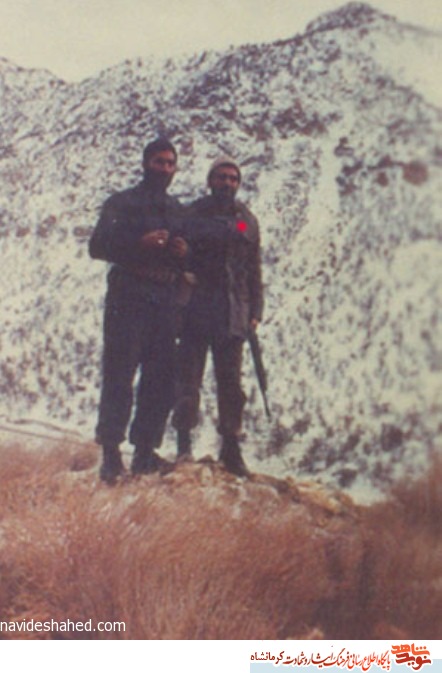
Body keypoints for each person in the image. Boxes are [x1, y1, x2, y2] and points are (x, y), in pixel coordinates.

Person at [89, 138, 187, 484]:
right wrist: (138, 244)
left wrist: (182, 251)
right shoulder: (121, 203)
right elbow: (97, 246)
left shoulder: (177, 209)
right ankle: (111, 455)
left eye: (170, 163)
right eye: (159, 161)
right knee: (120, 375)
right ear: (145, 163)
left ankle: (145, 452)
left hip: (164, 300)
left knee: (160, 378)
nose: (164, 168)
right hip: (128, 297)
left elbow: (188, 257)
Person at [172, 156, 264, 476]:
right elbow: (177, 259)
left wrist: (256, 311)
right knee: (188, 383)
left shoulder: (246, 221)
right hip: (195, 310)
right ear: (210, 181)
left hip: (232, 313)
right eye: (221, 177)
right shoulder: (191, 215)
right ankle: (183, 446)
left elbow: (253, 268)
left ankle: (231, 450)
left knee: (231, 386)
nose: (227, 183)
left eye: (233, 179)